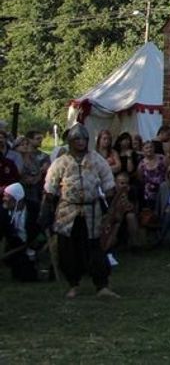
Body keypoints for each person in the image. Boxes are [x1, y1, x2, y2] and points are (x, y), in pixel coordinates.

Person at [40, 123, 118, 298]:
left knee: (95, 248)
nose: (81, 142)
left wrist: (111, 203)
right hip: (67, 210)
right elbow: (50, 187)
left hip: (92, 210)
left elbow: (108, 182)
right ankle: (73, 284)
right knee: (68, 249)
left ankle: (102, 285)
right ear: (71, 141)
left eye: (83, 139)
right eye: (77, 139)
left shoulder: (96, 159)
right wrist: (46, 208)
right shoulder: (61, 162)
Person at [1, 182, 42, 281]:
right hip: (15, 246)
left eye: (7, 197)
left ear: (17, 199)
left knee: (28, 277)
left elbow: (42, 228)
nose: (4, 199)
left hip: (32, 244)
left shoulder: (34, 209)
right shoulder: (3, 213)